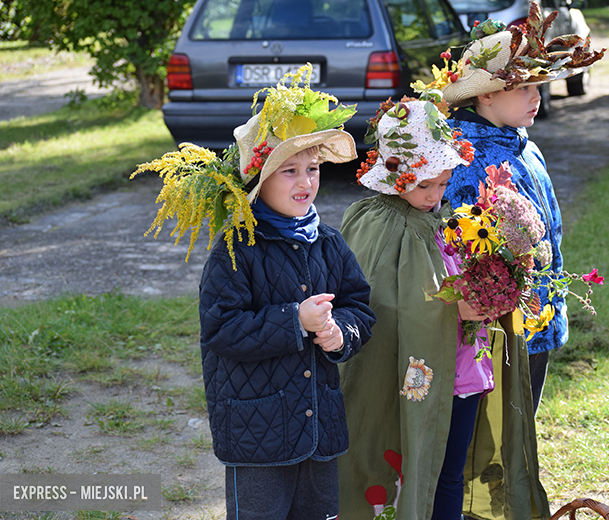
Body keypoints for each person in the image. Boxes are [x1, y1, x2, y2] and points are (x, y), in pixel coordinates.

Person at [141, 65, 377, 520]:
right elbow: (221, 329)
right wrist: (296, 321)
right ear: (258, 183)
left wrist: (341, 334)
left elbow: (357, 306)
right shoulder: (235, 250)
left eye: (312, 169)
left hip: (319, 426)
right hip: (257, 431)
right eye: (288, 171)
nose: (305, 182)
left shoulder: (329, 242)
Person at [337, 93, 549, 520]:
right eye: (424, 184)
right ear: (396, 178)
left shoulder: (446, 215)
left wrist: (497, 285)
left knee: (449, 474)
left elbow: (466, 266)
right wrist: (455, 311)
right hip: (411, 379)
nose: (435, 194)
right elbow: (381, 303)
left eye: (442, 181)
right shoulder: (377, 222)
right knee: (406, 466)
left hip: (464, 373)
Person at [439, 16, 605, 413]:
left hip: (538, 310)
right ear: (486, 96)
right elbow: (466, 249)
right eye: (524, 87)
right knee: (500, 429)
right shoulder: (466, 158)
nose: (537, 98)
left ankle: (522, 474)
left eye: (539, 88)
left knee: (524, 423)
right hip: (502, 326)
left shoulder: (521, 142)